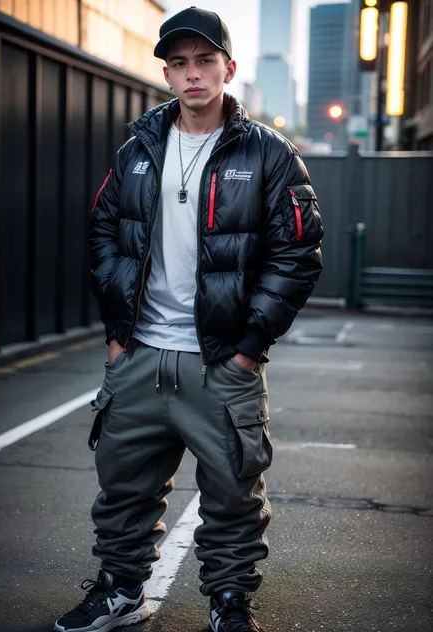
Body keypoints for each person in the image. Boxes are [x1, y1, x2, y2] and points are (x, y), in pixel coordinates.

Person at [54, 6, 323, 632]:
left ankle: (229, 600)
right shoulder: (138, 150)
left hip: (221, 359)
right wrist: (118, 337)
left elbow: (299, 252)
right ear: (167, 74)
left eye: (205, 61)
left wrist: (248, 348)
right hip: (141, 352)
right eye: (179, 64)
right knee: (123, 486)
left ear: (228, 68)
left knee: (232, 492)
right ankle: (120, 591)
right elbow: (104, 235)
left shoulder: (268, 155)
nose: (192, 74)